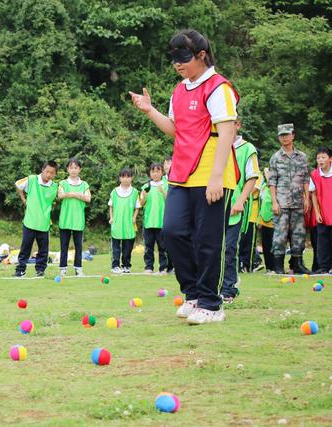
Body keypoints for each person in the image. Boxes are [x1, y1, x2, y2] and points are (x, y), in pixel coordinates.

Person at [130, 29, 238, 324]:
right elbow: (176, 130)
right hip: (181, 173)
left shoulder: (218, 88)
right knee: (172, 232)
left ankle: (211, 304)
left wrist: (217, 177)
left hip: (210, 173)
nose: (178, 64)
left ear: (202, 56)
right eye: (174, 59)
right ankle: (192, 294)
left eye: (184, 58)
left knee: (207, 239)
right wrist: (149, 109)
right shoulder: (179, 90)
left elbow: (227, 131)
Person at [221, 119, 259, 303]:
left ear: (238, 125)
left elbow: (252, 177)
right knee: (213, 249)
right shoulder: (218, 145)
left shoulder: (247, 149)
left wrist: (240, 201)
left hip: (235, 206)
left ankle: (229, 287)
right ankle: (215, 286)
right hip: (217, 205)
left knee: (229, 248)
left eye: (231, 123)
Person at [268, 123, 311, 275]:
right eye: (281, 135)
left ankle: (297, 263)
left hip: (298, 202)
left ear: (293, 135)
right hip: (282, 203)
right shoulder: (275, 158)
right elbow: (272, 182)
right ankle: (278, 266)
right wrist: (274, 202)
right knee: (280, 235)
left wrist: (307, 198)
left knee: (299, 234)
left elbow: (306, 179)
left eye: (287, 135)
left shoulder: (302, 157)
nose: (284, 138)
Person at [14, 161, 58, 277]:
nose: (49, 175)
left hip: (44, 223)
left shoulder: (55, 187)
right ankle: (20, 270)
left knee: (43, 250)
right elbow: (18, 185)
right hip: (30, 221)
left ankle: (40, 270)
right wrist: (24, 199)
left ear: (54, 175)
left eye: (52, 173)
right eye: (47, 171)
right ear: (42, 170)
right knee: (25, 247)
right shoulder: (32, 179)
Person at [58, 158, 91, 277]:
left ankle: (78, 268)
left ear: (79, 169)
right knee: (64, 245)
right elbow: (60, 195)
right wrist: (71, 194)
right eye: (71, 167)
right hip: (65, 219)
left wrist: (74, 194)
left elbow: (88, 198)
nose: (73, 170)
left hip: (78, 220)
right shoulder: (63, 183)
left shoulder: (84, 184)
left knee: (78, 245)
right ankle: (63, 268)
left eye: (76, 167)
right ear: (67, 169)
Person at [108, 167, 139, 274]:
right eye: (123, 176)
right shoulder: (115, 191)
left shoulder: (135, 192)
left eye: (128, 177)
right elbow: (111, 206)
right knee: (116, 248)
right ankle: (115, 266)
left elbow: (137, 207)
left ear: (132, 178)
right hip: (117, 223)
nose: (125, 179)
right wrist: (111, 218)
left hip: (129, 224)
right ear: (120, 178)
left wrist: (134, 218)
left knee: (127, 248)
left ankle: (126, 265)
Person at [139, 162, 168, 274]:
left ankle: (163, 268)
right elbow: (141, 204)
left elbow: (170, 201)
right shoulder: (146, 187)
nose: (155, 174)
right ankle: (149, 267)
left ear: (161, 172)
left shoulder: (166, 184)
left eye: (158, 171)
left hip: (162, 222)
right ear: (150, 173)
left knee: (163, 247)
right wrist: (144, 197)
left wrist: (163, 192)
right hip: (149, 222)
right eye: (153, 171)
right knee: (148, 247)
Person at [258, 169, 276, 273]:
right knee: (266, 245)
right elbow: (263, 204)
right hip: (264, 219)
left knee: (273, 245)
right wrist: (259, 219)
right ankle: (269, 267)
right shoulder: (264, 187)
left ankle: (275, 266)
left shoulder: (276, 187)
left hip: (273, 219)